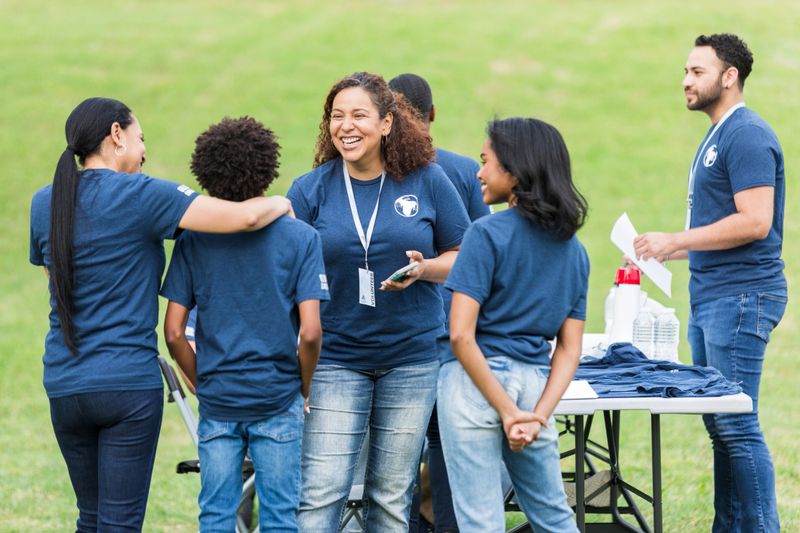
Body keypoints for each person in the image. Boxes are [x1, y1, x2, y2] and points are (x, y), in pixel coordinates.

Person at [28, 98, 292, 532]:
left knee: (90, 518)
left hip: (64, 383)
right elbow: (243, 218)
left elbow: (55, 287)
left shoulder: (45, 202)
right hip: (127, 384)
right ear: (116, 135)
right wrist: (280, 204)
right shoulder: (142, 194)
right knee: (119, 523)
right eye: (141, 138)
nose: (144, 150)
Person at [287, 71, 470, 532]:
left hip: (410, 361)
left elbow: (466, 258)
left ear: (386, 123)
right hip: (335, 359)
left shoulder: (428, 180)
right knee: (321, 493)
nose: (346, 126)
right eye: (337, 116)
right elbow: (282, 269)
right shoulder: (310, 189)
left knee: (391, 497)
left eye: (359, 115)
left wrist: (425, 269)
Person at [634, 33, 786, 532]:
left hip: (740, 298)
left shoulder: (747, 135)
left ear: (729, 76)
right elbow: (725, 227)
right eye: (685, 70)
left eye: (697, 72)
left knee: (736, 424)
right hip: (714, 297)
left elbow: (756, 221)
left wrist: (677, 238)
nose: (686, 80)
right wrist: (669, 249)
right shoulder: (719, 135)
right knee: (721, 425)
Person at [160, 116, 328, 532]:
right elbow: (310, 332)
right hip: (278, 395)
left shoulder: (193, 239)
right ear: (267, 168)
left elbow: (174, 332)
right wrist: (303, 385)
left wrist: (202, 381)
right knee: (280, 517)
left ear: (207, 173)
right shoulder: (301, 238)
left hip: (219, 399)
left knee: (216, 514)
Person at [438, 117, 588, 533]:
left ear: (516, 172)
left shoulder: (484, 234)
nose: (479, 172)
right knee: (555, 517)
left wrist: (508, 412)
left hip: (474, 385)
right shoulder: (575, 251)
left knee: (481, 521)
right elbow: (570, 350)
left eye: (486, 161)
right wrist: (537, 416)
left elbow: (460, 335)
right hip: (535, 386)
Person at [388, 72, 489, 533]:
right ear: (432, 114)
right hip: (453, 334)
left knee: (397, 452)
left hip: (395, 337)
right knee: (447, 445)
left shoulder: (375, 172)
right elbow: (483, 253)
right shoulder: (465, 170)